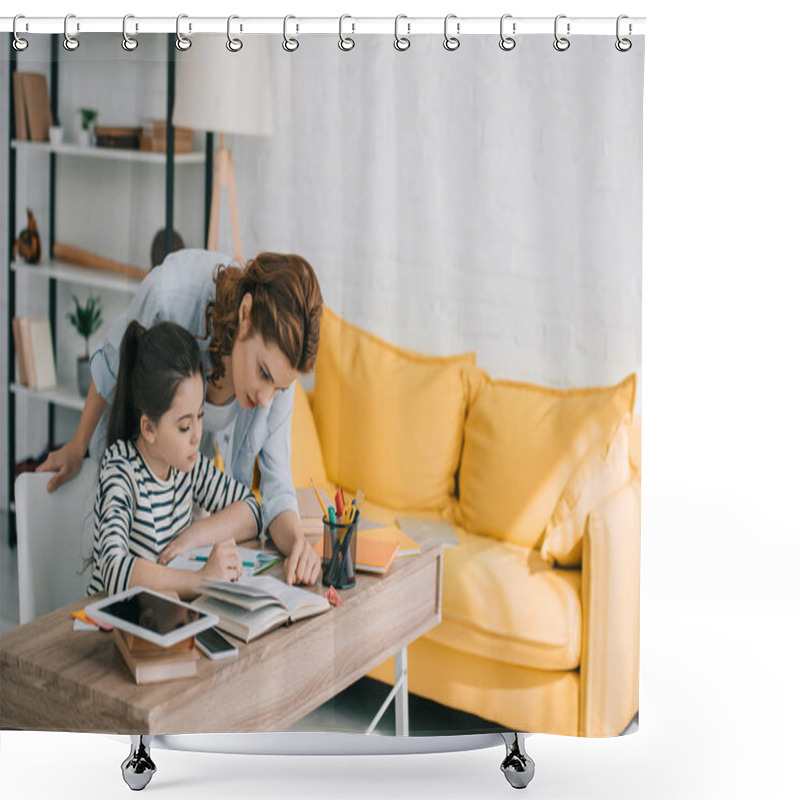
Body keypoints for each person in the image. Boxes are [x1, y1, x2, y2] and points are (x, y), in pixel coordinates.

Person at [39, 249, 323, 586]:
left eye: (280, 387)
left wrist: (296, 545)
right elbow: (111, 368)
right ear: (245, 313)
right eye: (263, 373)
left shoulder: (190, 463)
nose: (266, 401)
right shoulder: (170, 292)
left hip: (174, 575)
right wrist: (78, 445)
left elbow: (270, 491)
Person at [88, 321, 260, 599]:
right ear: (149, 429)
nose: (196, 436)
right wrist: (200, 579)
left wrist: (194, 535)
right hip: (114, 629)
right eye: (183, 426)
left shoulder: (186, 464)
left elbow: (252, 510)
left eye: (200, 416)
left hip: (167, 620)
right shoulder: (120, 468)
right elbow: (113, 568)